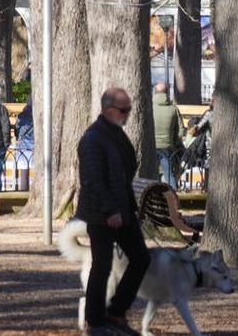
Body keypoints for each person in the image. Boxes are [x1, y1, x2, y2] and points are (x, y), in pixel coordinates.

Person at [77, 87, 151, 336]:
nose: (128, 114)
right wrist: (110, 210)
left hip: (122, 211)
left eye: (129, 109)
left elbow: (125, 171)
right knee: (102, 266)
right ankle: (95, 322)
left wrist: (127, 209)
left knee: (141, 259)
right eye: (124, 109)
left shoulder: (116, 134)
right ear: (109, 110)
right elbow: (93, 180)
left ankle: (116, 312)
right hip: (102, 214)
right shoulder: (92, 138)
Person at [152, 82, 181, 188]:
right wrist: (174, 144)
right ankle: (174, 198)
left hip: (151, 147)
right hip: (167, 147)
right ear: (167, 93)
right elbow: (180, 131)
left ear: (155, 93)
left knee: (150, 174)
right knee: (169, 175)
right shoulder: (173, 109)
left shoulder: (148, 108)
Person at [15, 100, 34, 190]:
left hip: (23, 145)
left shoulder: (21, 116)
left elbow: (17, 129)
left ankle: (23, 191)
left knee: (24, 172)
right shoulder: (38, 114)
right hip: (35, 145)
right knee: (37, 171)